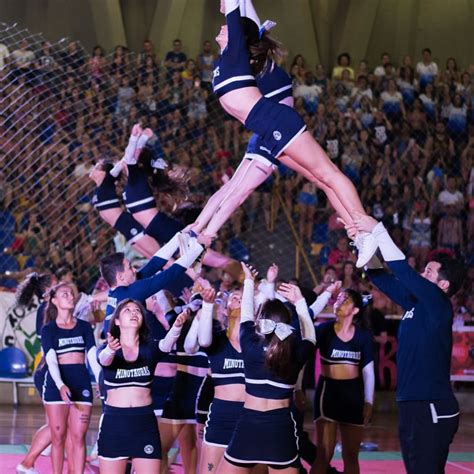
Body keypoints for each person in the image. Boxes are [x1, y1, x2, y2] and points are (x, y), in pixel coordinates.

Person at [212, 0, 377, 268]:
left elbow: (243, 13)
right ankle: (357, 233)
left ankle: (366, 231)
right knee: (322, 179)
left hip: (279, 123)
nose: (220, 28)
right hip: (270, 130)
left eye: (226, 26)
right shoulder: (231, 59)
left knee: (328, 174)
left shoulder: (243, 55)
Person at [349, 211, 464, 474]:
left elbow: (402, 270)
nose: (423, 274)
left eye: (429, 271)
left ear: (443, 284)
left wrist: (378, 230)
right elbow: (381, 277)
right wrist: (360, 243)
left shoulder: (439, 305)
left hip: (432, 405)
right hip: (411, 403)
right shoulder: (415, 303)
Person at [218, 263, 316, 472]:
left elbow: (245, 315)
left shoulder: (250, 344)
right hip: (280, 427)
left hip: (248, 424)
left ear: (260, 320)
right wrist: (300, 302)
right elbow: (310, 337)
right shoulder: (295, 352)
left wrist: (248, 282)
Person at [97, 298, 188, 473]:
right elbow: (104, 360)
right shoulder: (106, 349)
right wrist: (110, 349)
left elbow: (166, 345)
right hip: (115, 423)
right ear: (116, 321)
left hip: (144, 423)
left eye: (137, 311)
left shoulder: (150, 348)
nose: (133, 313)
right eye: (127, 310)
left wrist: (176, 326)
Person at [40, 282, 102, 474]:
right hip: (56, 385)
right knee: (58, 436)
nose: (70, 296)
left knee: (78, 436)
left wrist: (100, 379)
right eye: (64, 294)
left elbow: (92, 355)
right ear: (55, 301)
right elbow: (51, 361)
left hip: (81, 383)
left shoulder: (84, 327)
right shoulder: (48, 329)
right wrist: (60, 385)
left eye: (71, 293)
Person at [311, 288, 375, 474]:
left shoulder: (363, 336)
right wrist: (298, 388)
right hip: (328, 393)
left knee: (351, 455)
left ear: (355, 310)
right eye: (337, 299)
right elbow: (302, 357)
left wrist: (369, 401)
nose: (338, 302)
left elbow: (368, 371)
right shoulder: (323, 330)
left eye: (345, 300)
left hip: (352, 395)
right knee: (324, 453)